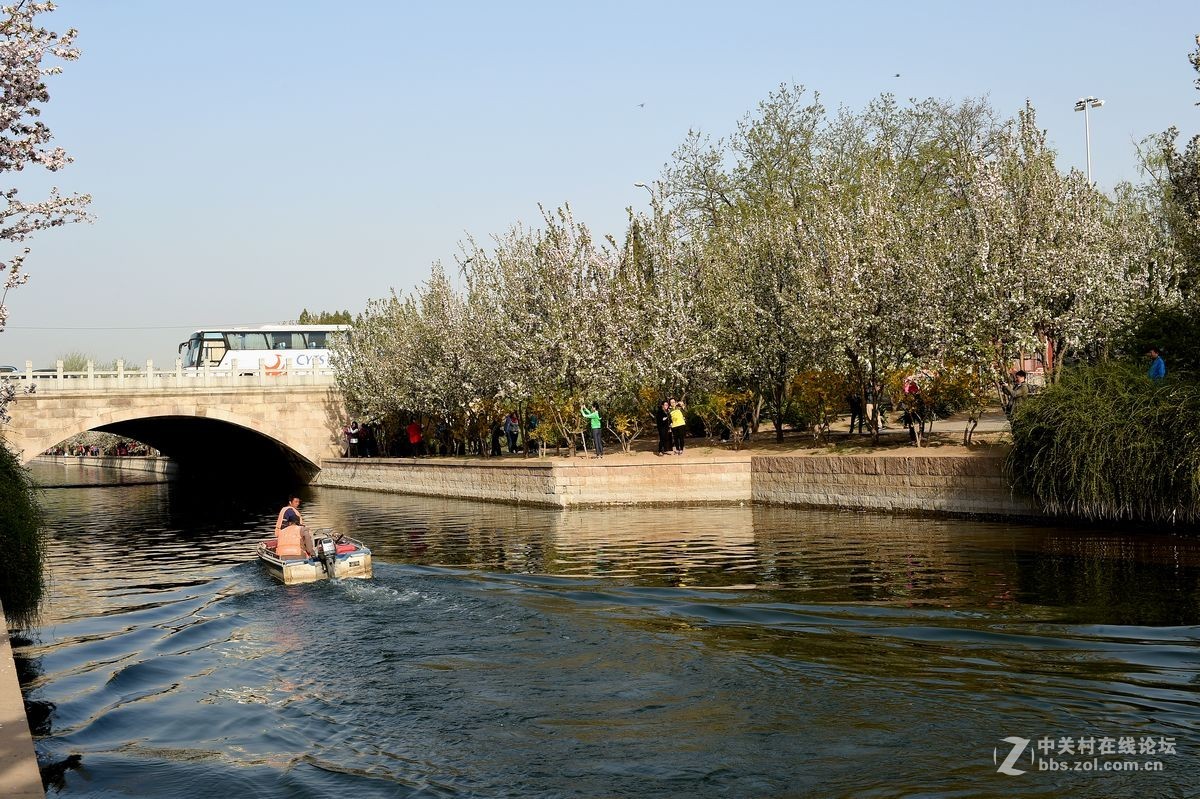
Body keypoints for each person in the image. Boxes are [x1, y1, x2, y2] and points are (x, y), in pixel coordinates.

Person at [274, 495, 315, 559]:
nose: (298, 504)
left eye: (298, 502)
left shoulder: (284, 510)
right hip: (297, 550)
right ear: (290, 502)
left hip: (282, 545)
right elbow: (293, 517)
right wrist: (312, 553)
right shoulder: (290, 510)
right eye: (296, 502)